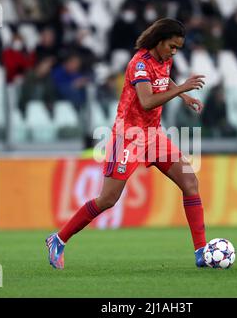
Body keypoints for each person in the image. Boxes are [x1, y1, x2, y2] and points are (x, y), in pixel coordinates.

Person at [46, 18, 208, 269]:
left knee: (190, 182)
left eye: (178, 48)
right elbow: (146, 101)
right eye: (172, 46)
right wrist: (182, 88)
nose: (174, 52)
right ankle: (58, 239)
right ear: (159, 40)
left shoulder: (165, 59)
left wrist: (184, 95)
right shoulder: (139, 64)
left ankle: (201, 252)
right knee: (107, 199)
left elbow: (164, 81)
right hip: (128, 137)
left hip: (153, 135)